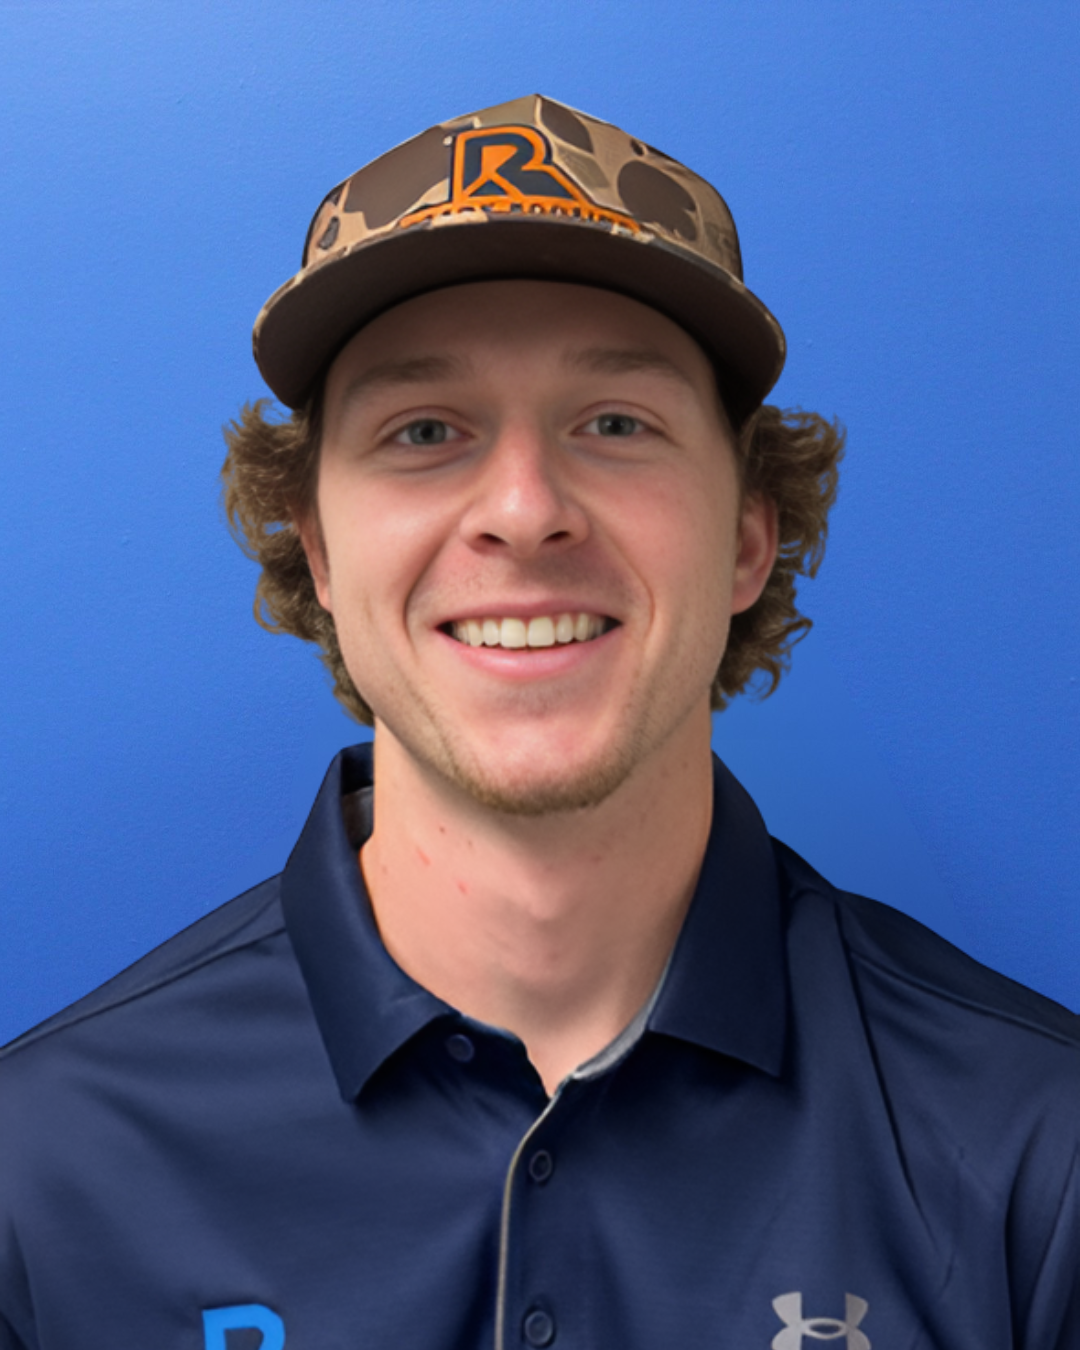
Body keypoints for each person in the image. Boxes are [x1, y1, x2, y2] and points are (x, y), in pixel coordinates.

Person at [1, 95, 1077, 1350]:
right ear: (322, 553)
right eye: (424, 432)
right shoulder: (45, 1173)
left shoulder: (1033, 1157)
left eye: (615, 424)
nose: (524, 509)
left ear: (746, 537)